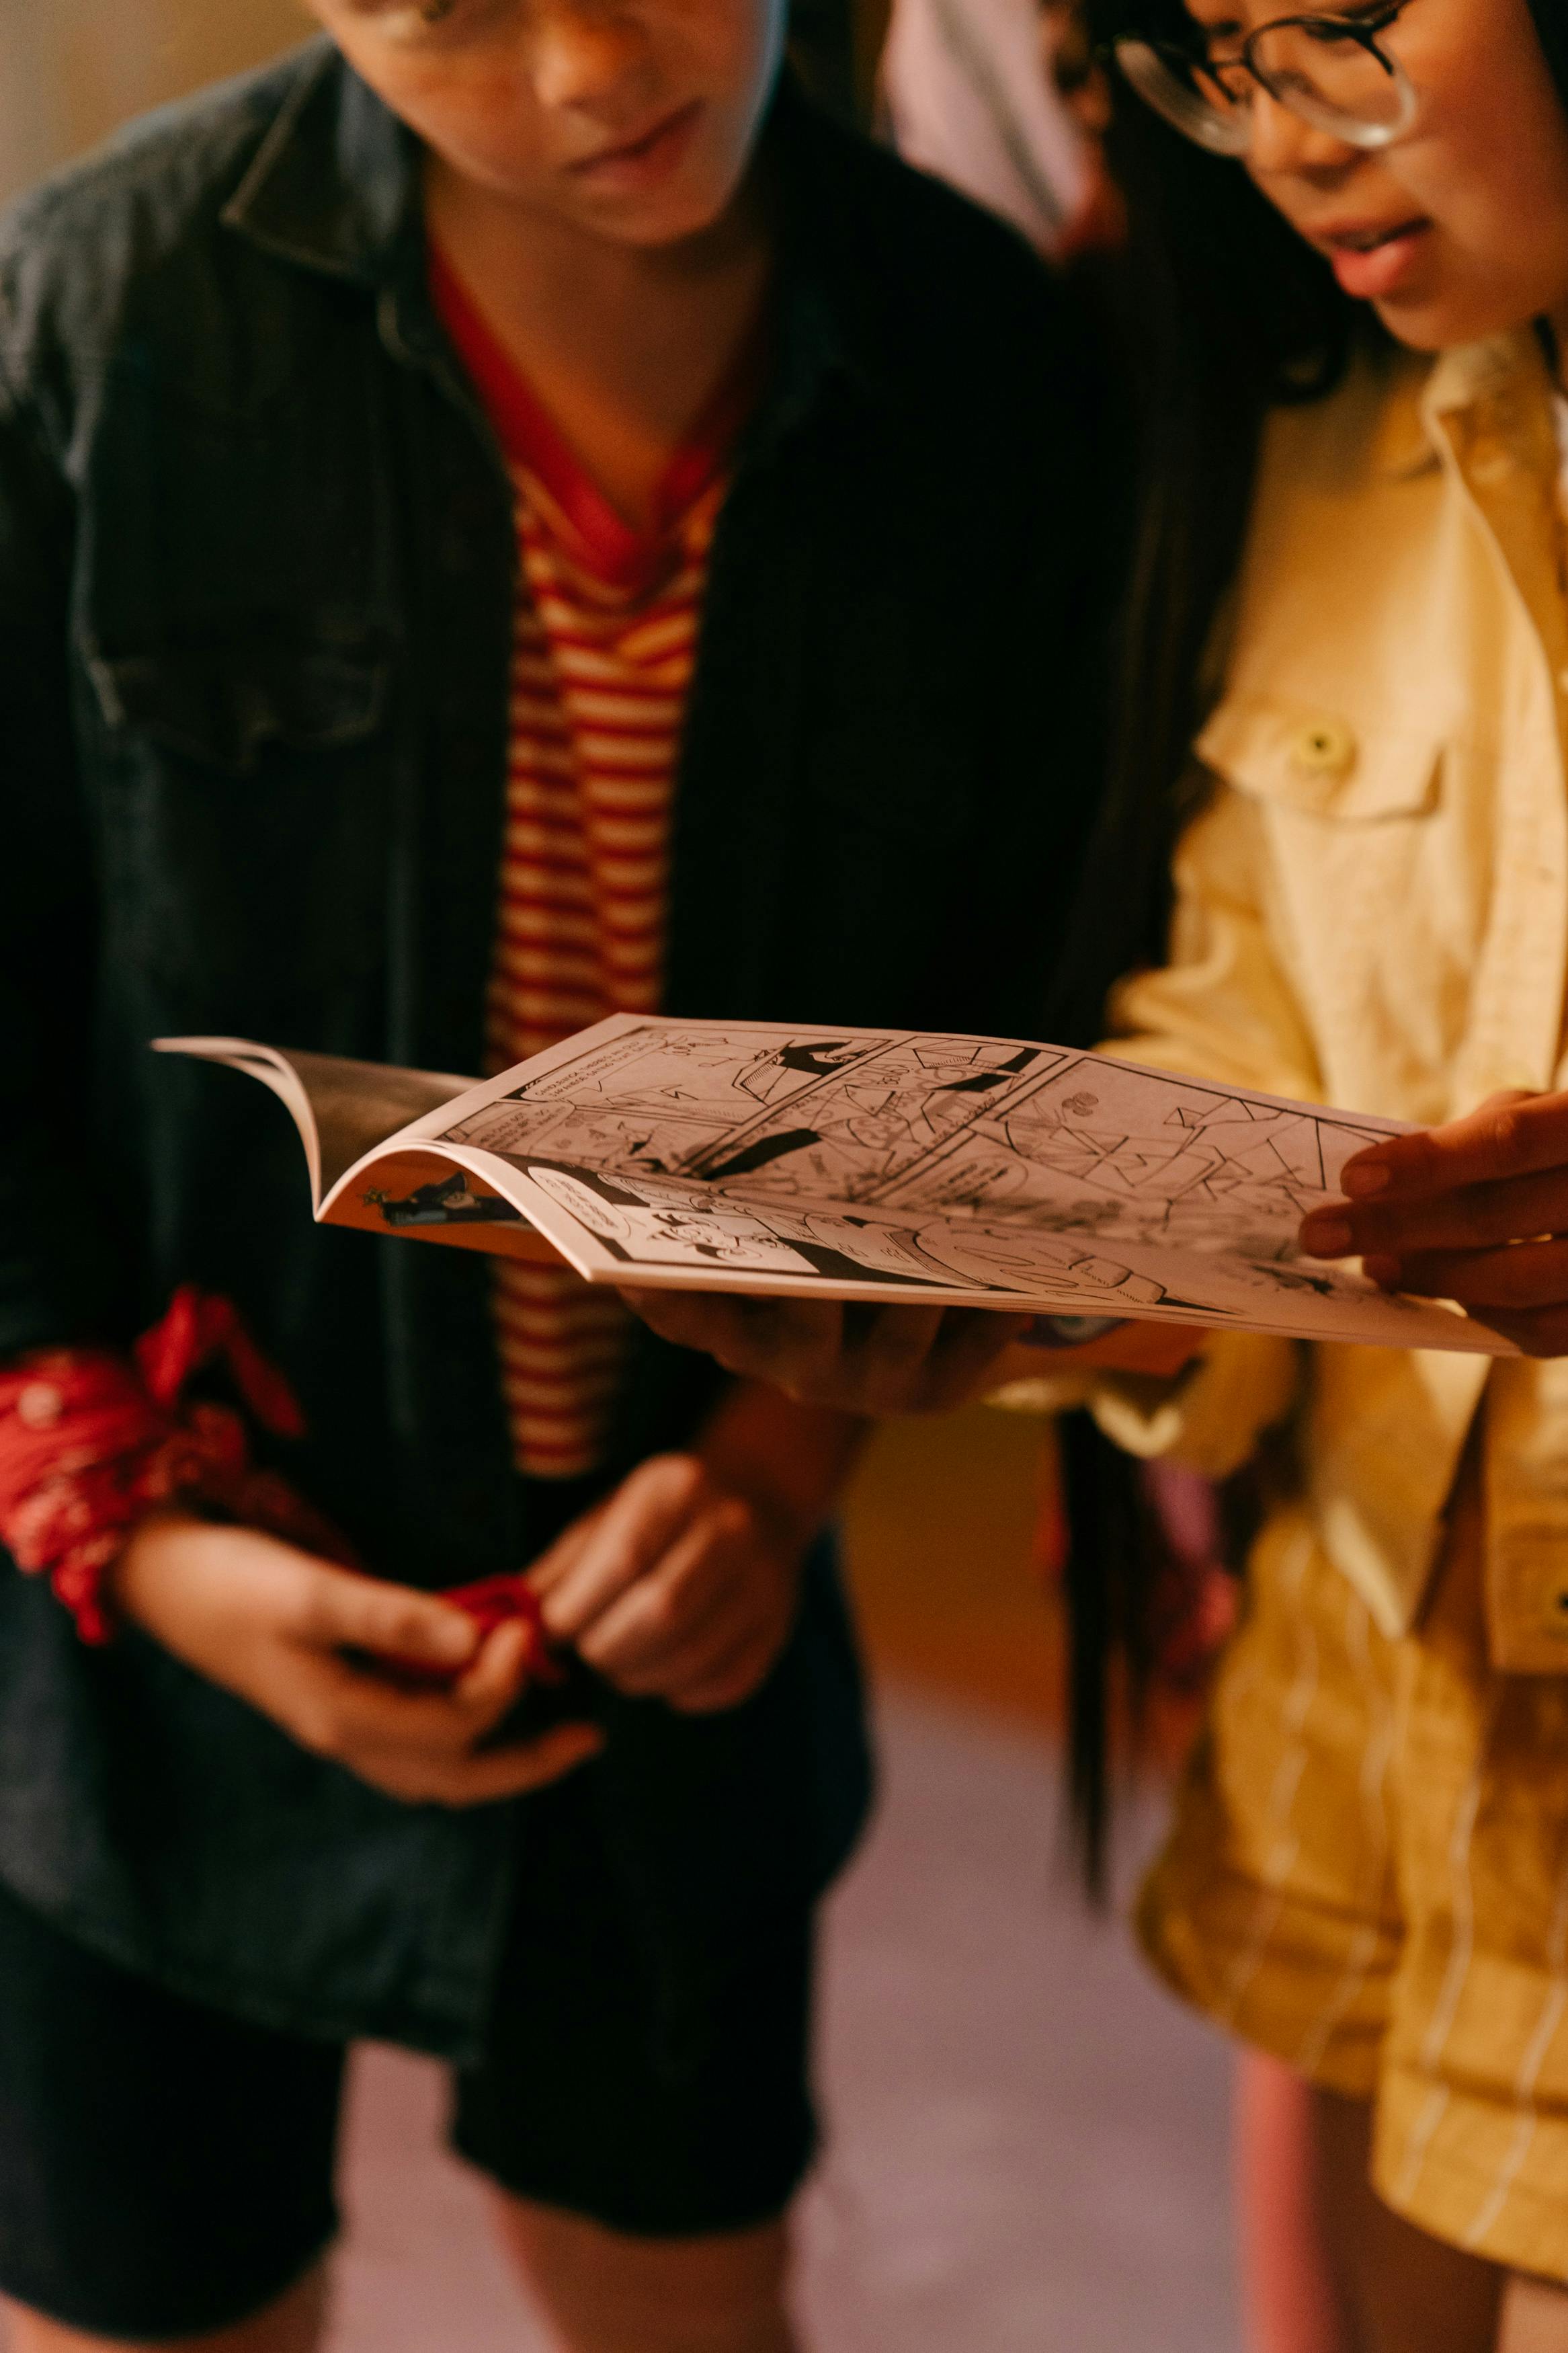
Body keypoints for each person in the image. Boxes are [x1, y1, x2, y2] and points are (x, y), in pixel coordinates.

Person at [0, 5, 1113, 2349]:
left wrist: (782, 1463)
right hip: (157, 1579)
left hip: (681, 1573)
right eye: (458, 10)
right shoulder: (106, 310)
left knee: (689, 2288)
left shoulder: (989, 365)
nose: (602, 64)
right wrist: (154, 1543)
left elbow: (1014, 1011)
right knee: (149, 2289)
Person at [632, 0, 1568, 2344]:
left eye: (1341, 34)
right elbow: (1242, 1051)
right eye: (1214, 73)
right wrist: (1007, 1277)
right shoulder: (1328, 454)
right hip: (1383, 1750)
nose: (1288, 152)